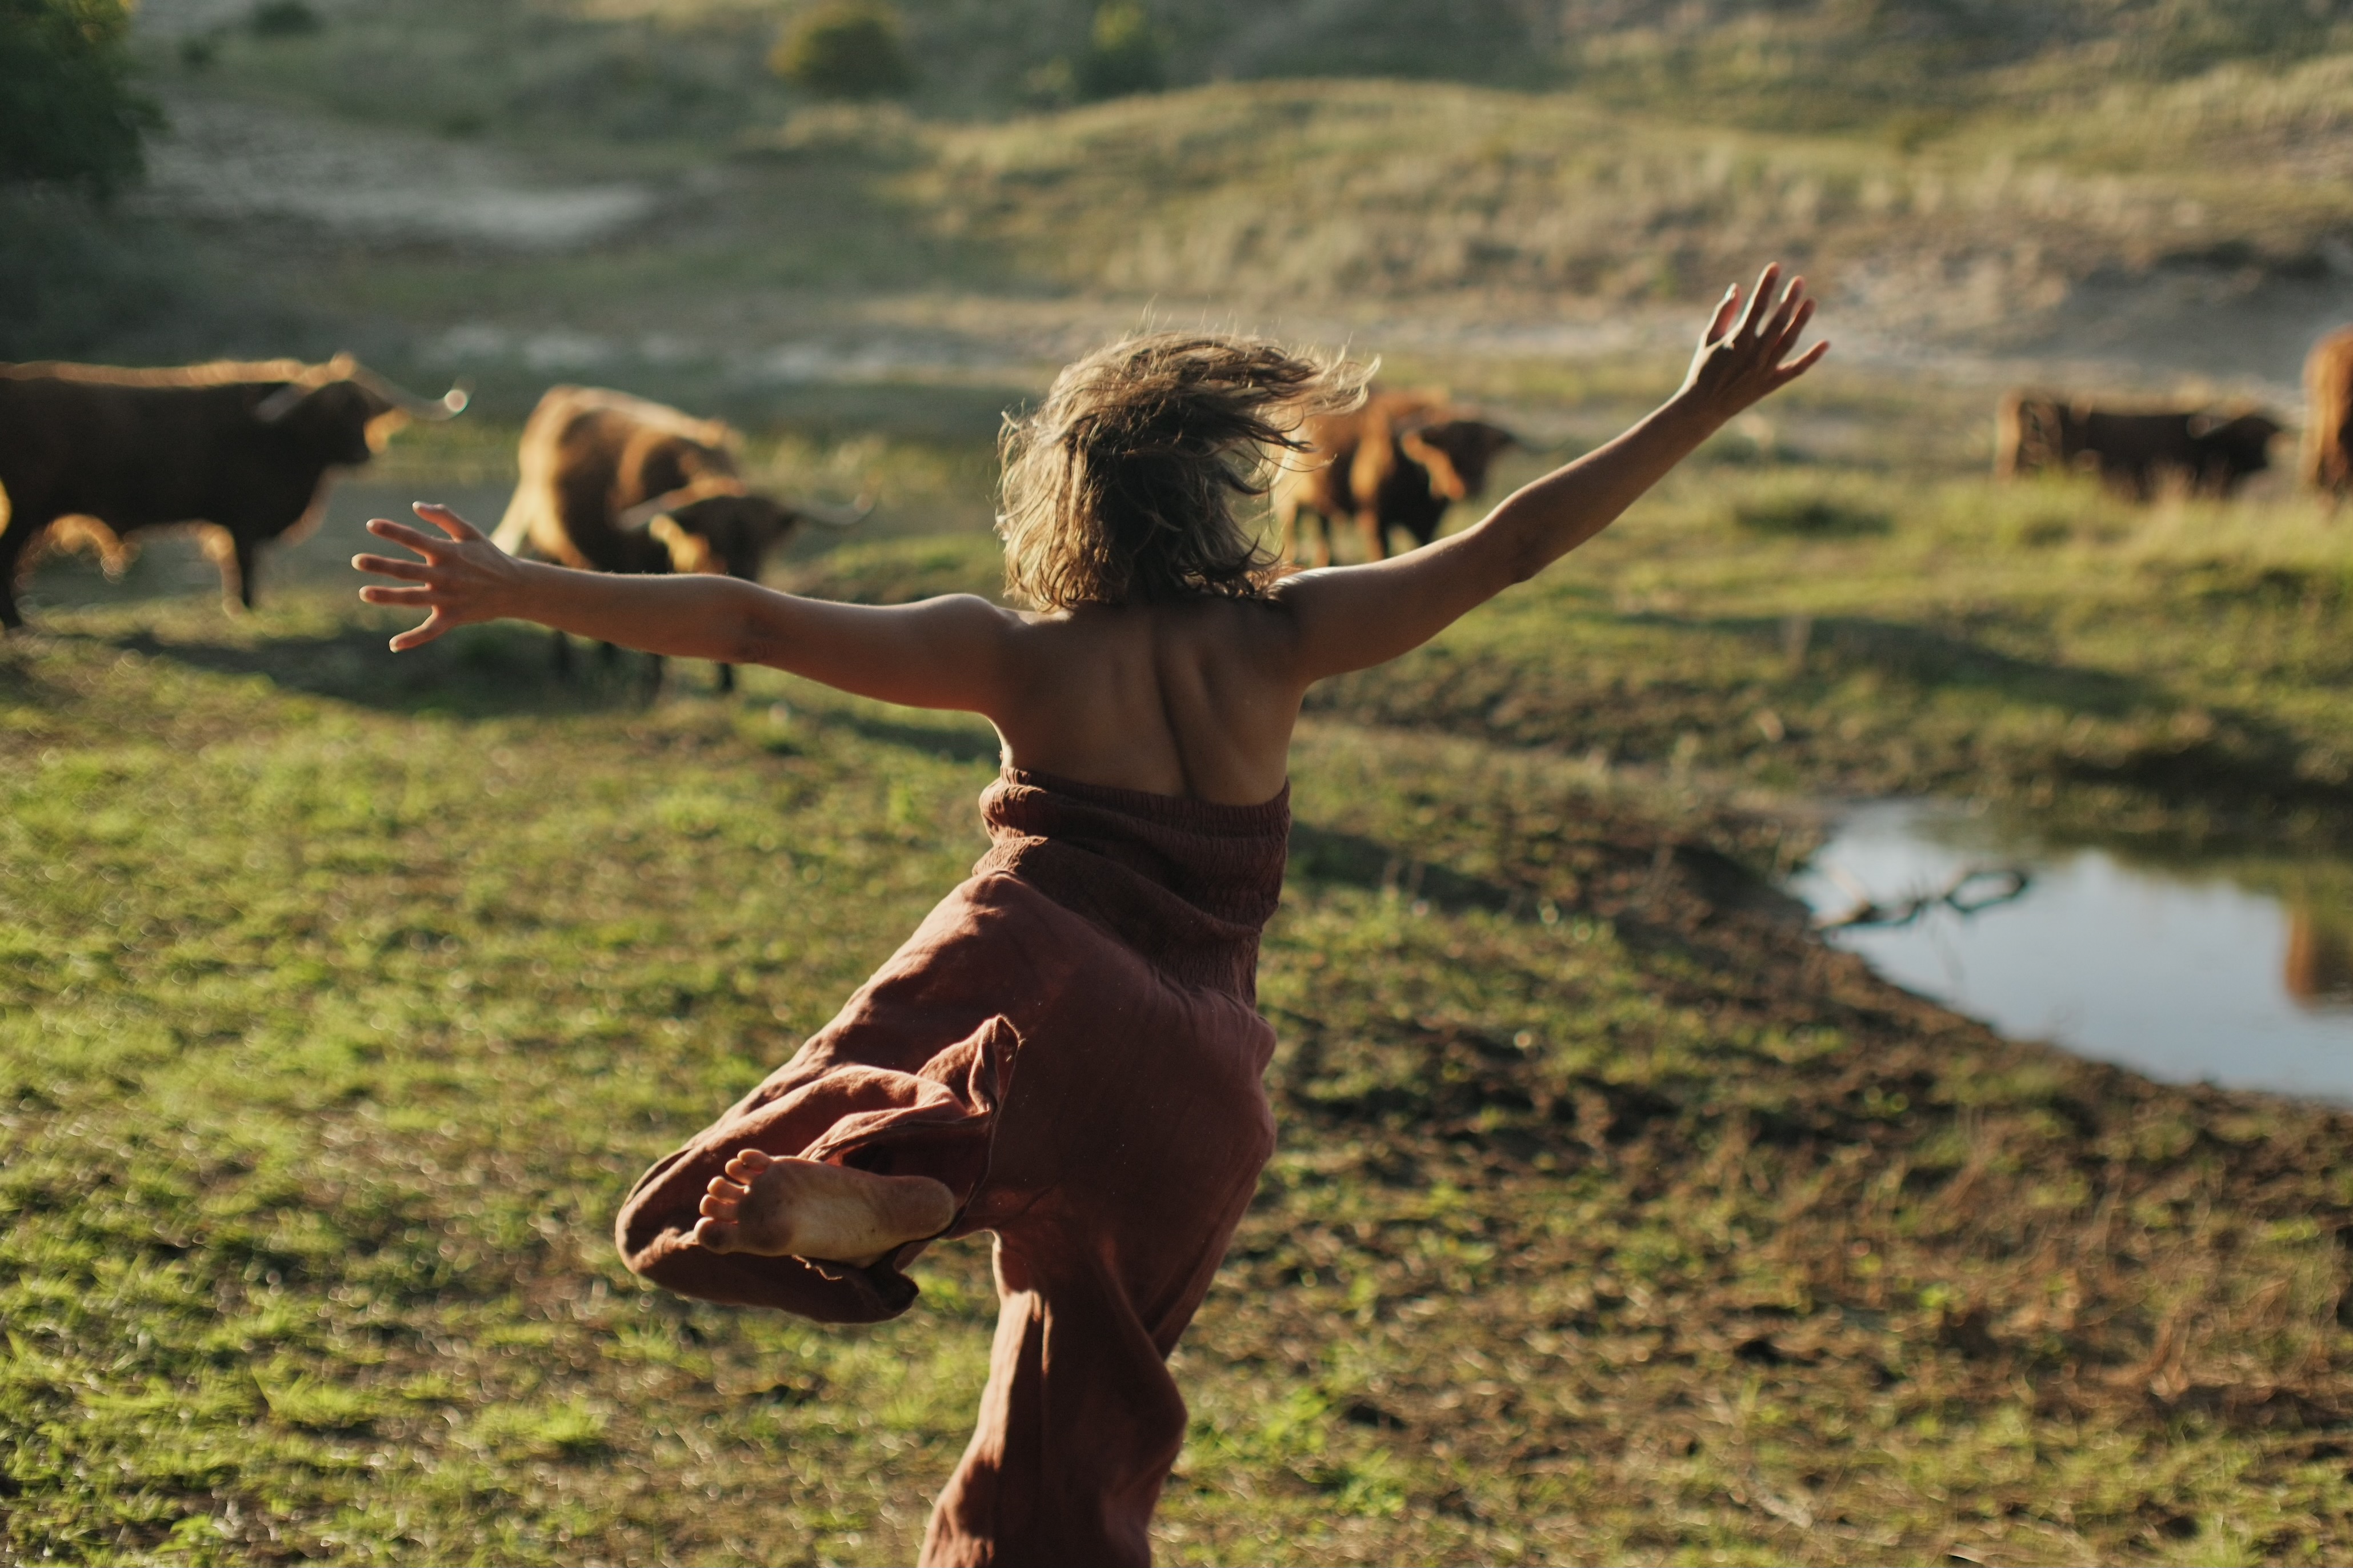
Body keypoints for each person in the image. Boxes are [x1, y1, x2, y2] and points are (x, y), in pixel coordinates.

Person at [354, 267, 1826, 1566]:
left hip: (1036, 976)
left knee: (688, 1210)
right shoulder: (1288, 636)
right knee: (1070, 1464)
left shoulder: (1011, 655)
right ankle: (919, 1189)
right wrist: (1697, 405)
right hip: (1198, 1089)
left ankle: (900, 1181)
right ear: (1220, 493)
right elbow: (1511, 546)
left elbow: (743, 621)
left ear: (1061, 499)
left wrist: (516, 582)